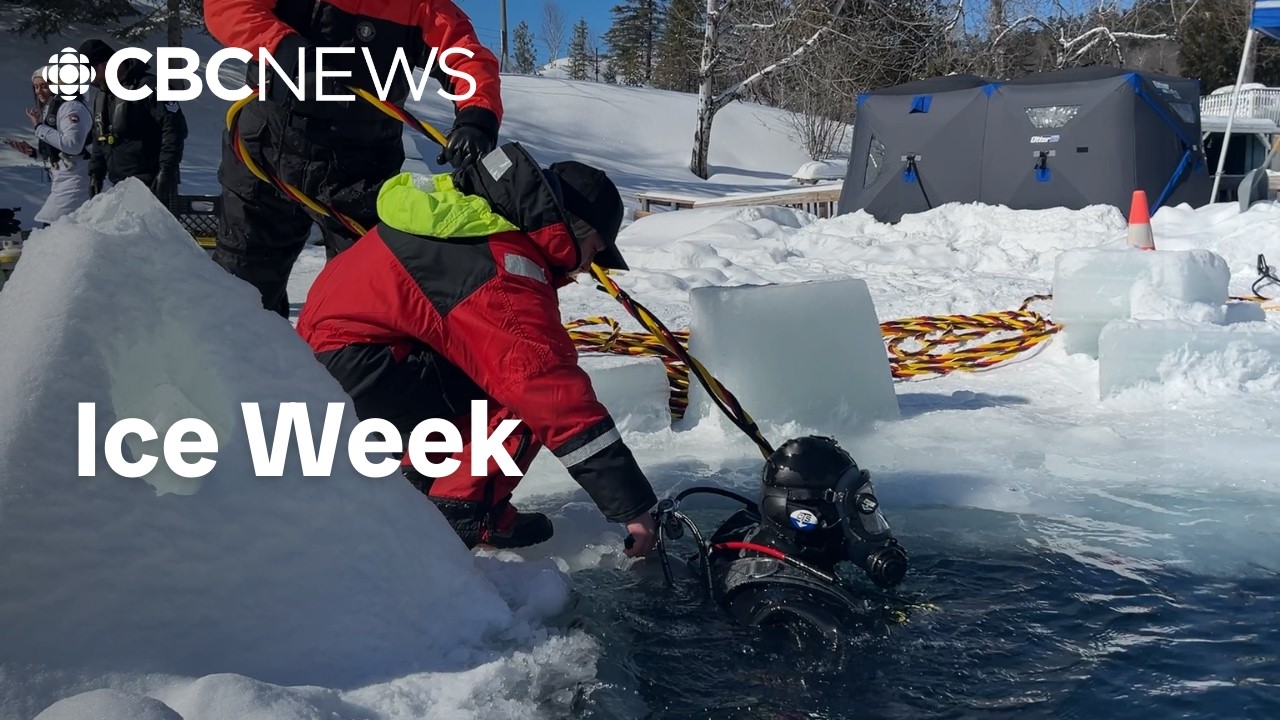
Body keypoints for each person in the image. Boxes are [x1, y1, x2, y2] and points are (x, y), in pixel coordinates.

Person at [296, 142, 658, 555]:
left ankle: (418, 484)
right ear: (572, 226)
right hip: (358, 373)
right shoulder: (498, 260)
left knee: (492, 366)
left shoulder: (469, 216)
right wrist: (635, 506)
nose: (585, 268)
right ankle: (460, 509)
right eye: (593, 251)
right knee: (525, 385)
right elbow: (548, 387)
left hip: (333, 366)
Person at [203, 0, 505, 319]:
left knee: (364, 305)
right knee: (243, 292)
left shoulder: (420, 6)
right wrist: (282, 45)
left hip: (362, 168)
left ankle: (341, 362)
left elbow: (464, 53)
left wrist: (477, 116)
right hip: (268, 151)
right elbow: (228, 6)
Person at [696, 435, 909, 642]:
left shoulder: (744, 539)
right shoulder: (793, 616)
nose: (861, 522)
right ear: (810, 517)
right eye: (852, 510)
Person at [77, 39, 187, 206]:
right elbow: (100, 136)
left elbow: (174, 129)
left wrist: (166, 170)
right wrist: (96, 173)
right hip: (120, 183)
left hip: (152, 181)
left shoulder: (150, 86)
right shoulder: (104, 95)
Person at [3, 67, 93, 227]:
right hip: (63, 179)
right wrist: (33, 152)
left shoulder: (71, 107)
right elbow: (59, 150)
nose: (39, 91)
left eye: (44, 86)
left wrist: (39, 127)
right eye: (36, 87)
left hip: (77, 179)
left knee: (54, 227)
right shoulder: (53, 109)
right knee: (54, 227)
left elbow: (73, 146)